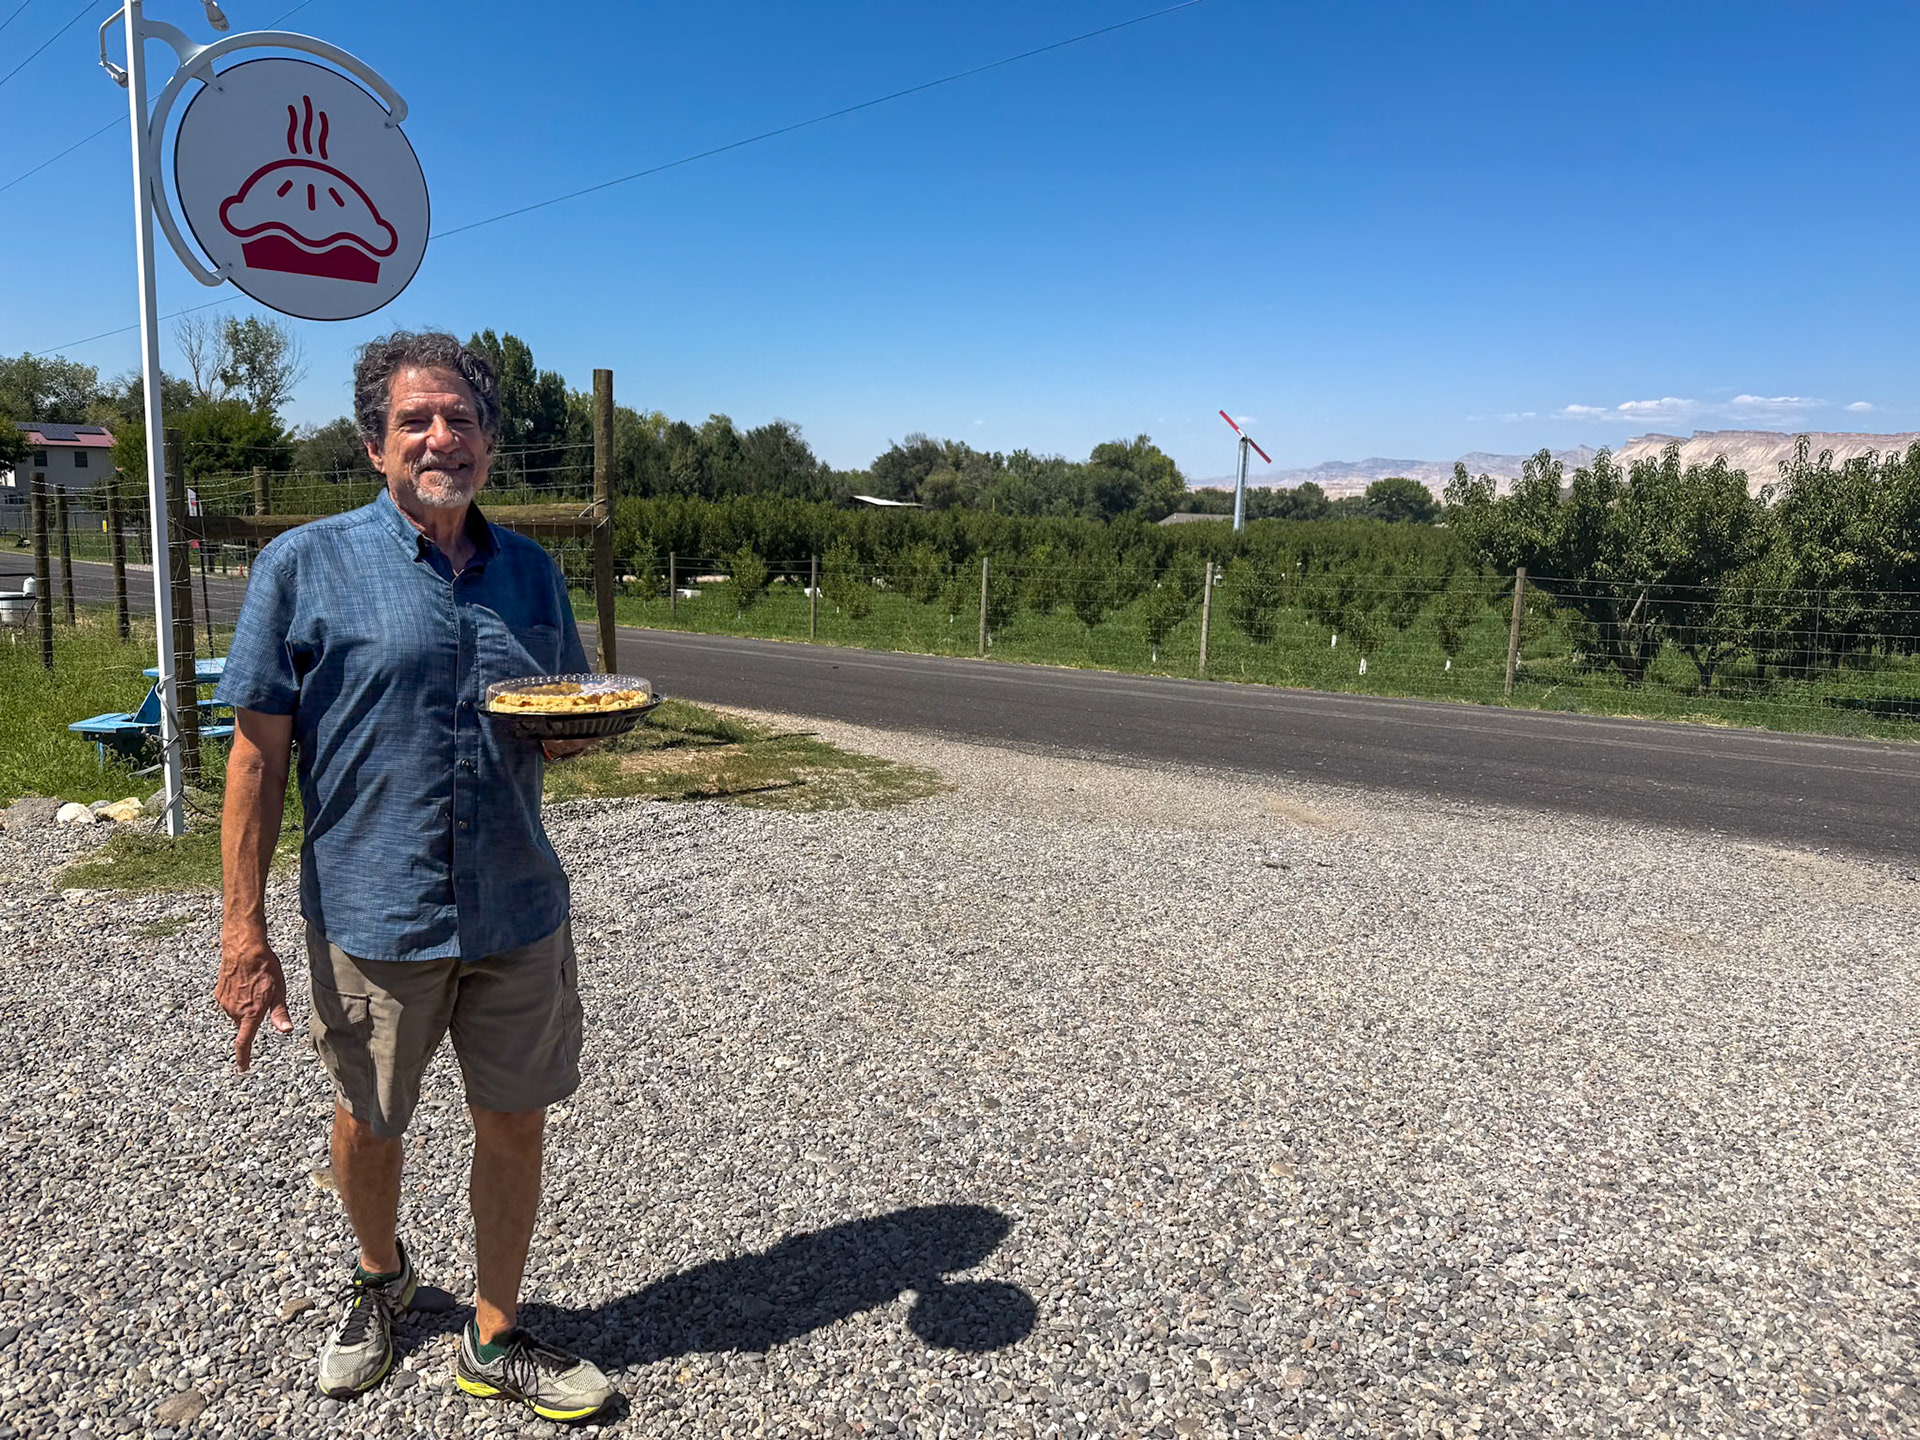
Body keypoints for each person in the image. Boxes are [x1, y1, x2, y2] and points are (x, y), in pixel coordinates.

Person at [213, 331, 614, 1421]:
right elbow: (255, 757)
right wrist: (241, 934)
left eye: (462, 421)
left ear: (489, 441)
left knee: (516, 1116)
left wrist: (580, 730)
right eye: (416, 421)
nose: (441, 438)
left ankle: (493, 1331)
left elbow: (557, 708)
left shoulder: (531, 572)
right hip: (373, 909)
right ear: (374, 443)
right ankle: (382, 1277)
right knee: (370, 1116)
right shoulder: (303, 565)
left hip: (516, 904)